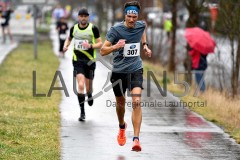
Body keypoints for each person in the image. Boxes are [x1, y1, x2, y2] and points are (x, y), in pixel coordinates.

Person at [100, 1, 152, 152]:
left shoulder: (140, 25)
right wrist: (116, 46)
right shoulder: (115, 30)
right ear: (125, 15)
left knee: (136, 101)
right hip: (118, 71)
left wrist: (145, 46)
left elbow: (143, 29)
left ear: (137, 16)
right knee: (120, 103)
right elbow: (103, 51)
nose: (131, 20)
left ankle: (136, 139)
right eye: (129, 16)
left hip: (136, 69)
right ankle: (122, 126)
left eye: (134, 17)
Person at [63, 8, 102, 121]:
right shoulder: (74, 28)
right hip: (78, 61)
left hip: (90, 61)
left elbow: (100, 43)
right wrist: (66, 46)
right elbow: (69, 39)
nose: (83, 18)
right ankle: (82, 112)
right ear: (78, 17)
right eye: (81, 16)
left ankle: (89, 94)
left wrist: (90, 46)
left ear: (88, 17)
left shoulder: (93, 28)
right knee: (80, 85)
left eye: (85, 16)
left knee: (88, 87)